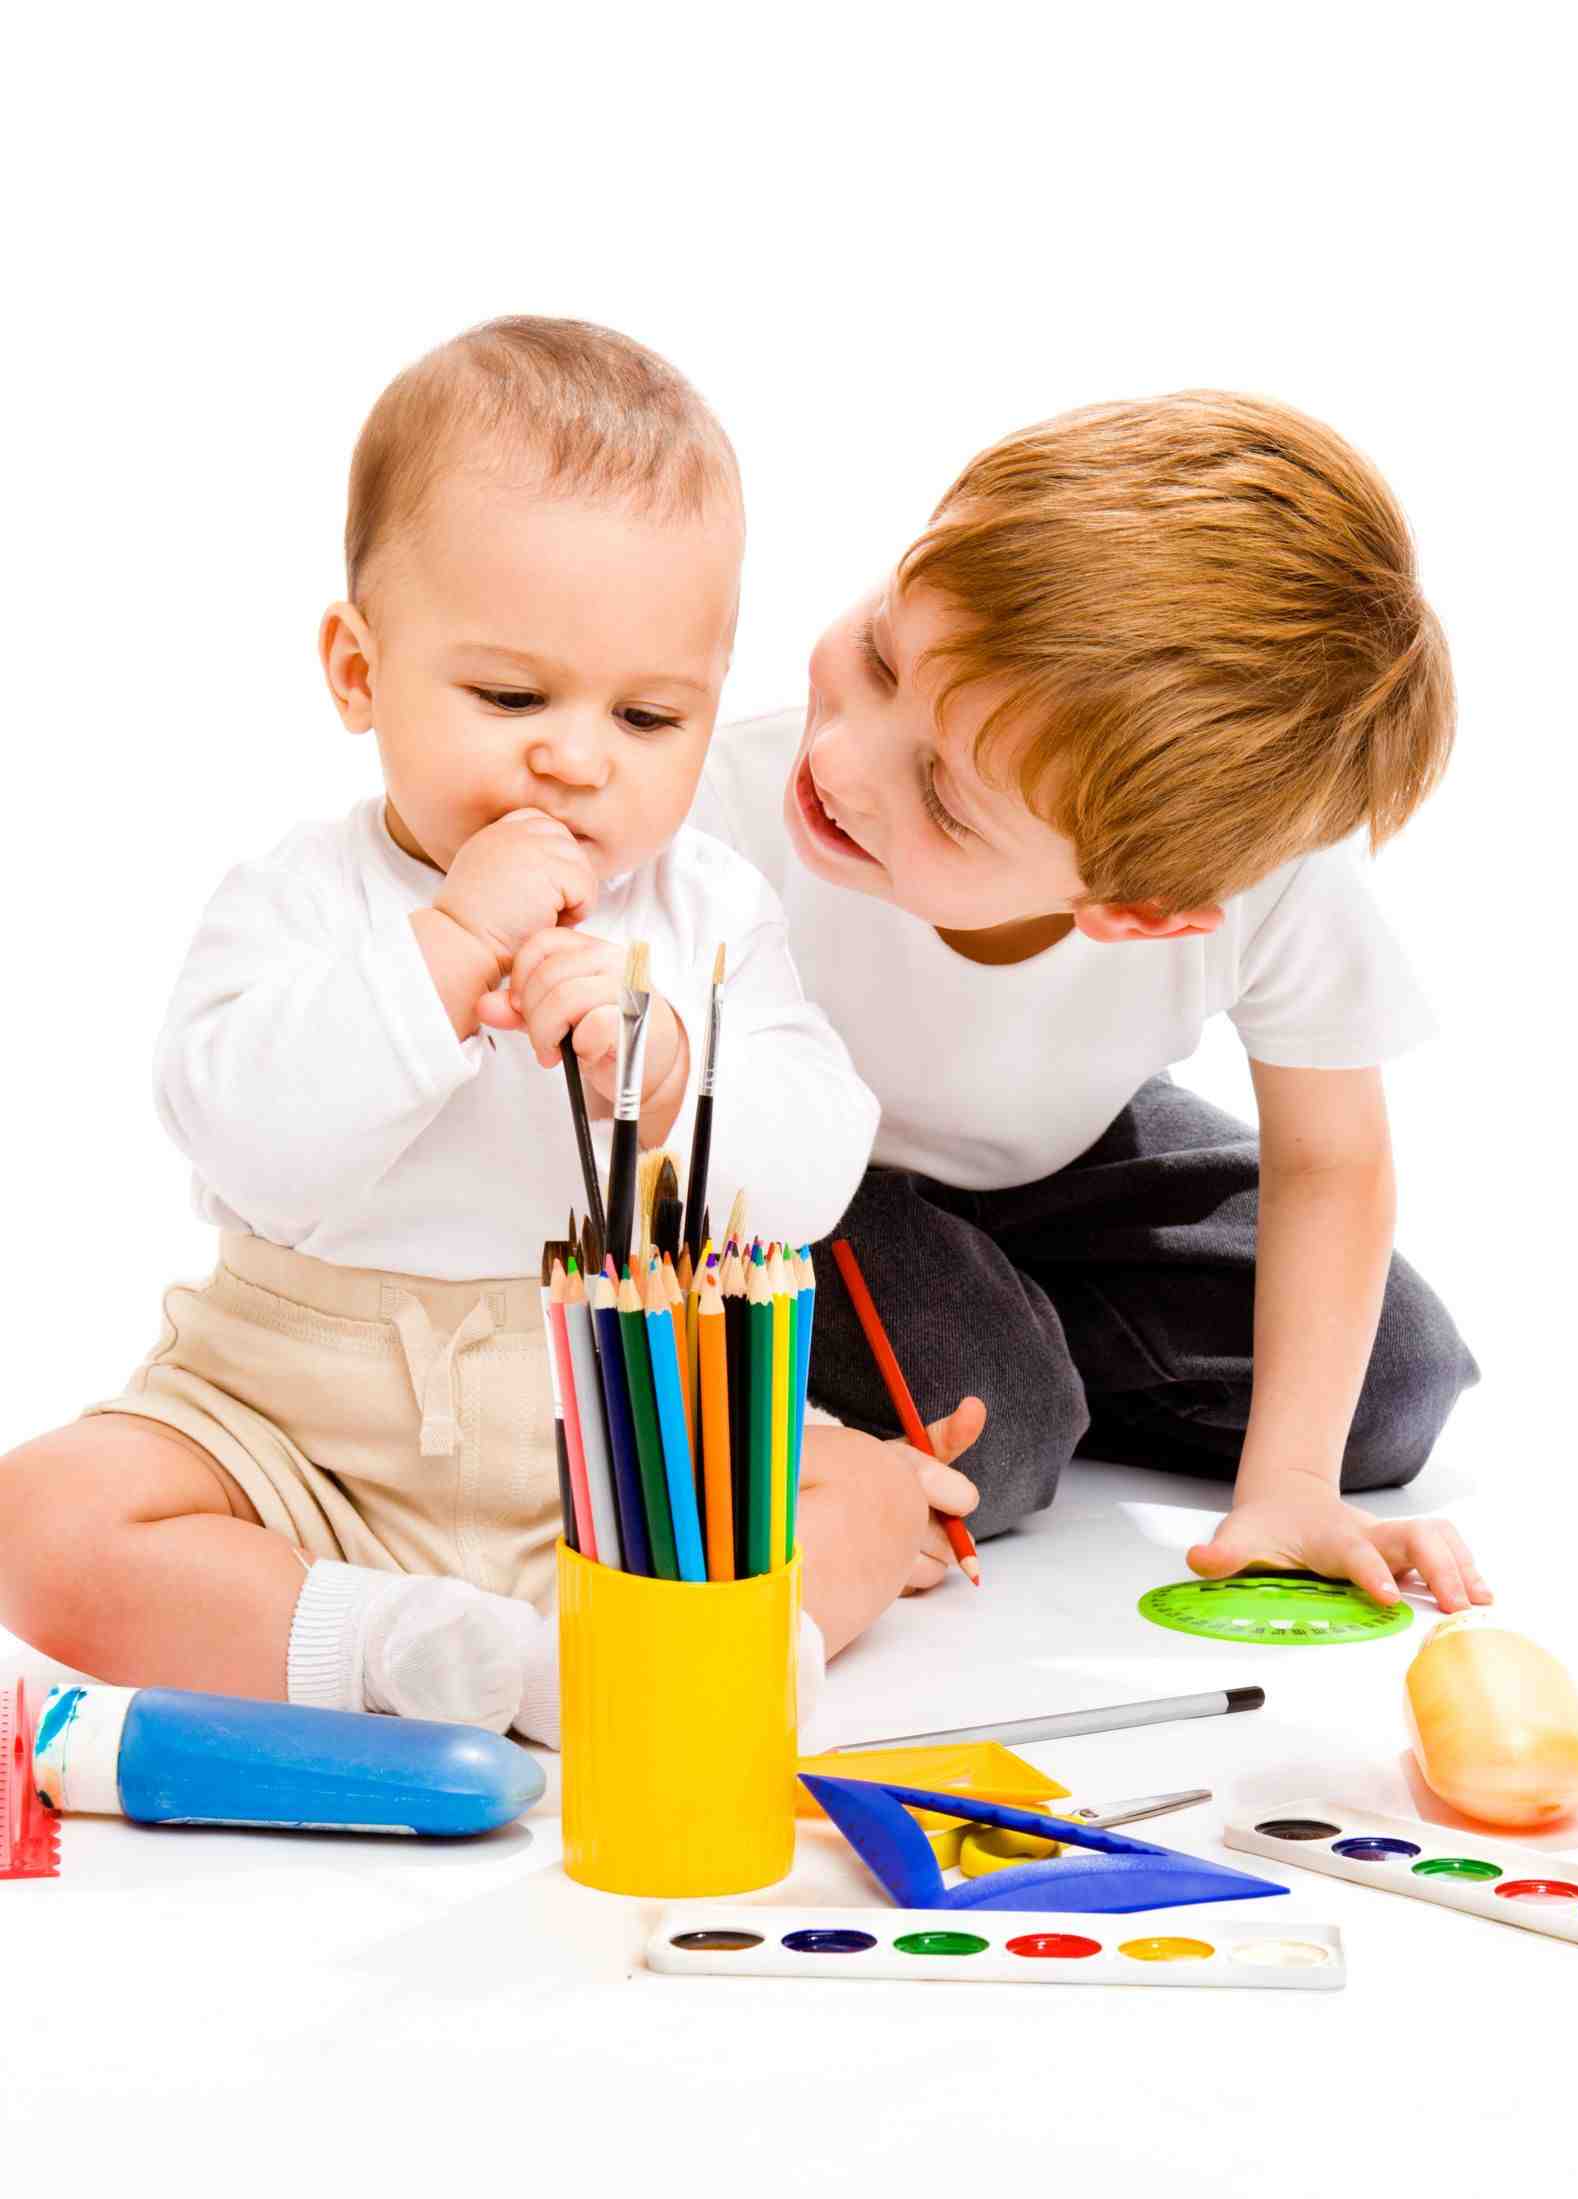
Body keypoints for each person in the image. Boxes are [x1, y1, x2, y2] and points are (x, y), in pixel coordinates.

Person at [0, 317, 977, 1743]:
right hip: (294, 1422)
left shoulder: (707, 906)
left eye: (648, 717)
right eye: (510, 696)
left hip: (620, 1430)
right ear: (358, 671)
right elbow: (242, 1135)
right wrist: (449, 948)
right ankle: (419, 1652)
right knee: (49, 1517)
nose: (573, 757)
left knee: (867, 1492)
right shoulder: (298, 893)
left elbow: (818, 1164)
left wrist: (670, 1072)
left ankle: (678, 1655)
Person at [693, 393, 1484, 1612]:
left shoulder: (1270, 878)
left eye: (945, 800)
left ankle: (1015, 1328)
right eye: (882, 655)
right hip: (806, 1184)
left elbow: (1330, 1161)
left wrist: (1288, 1483)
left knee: (1390, 1385)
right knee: (994, 1441)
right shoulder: (711, 817)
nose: (838, 758)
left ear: (1142, 912)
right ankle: (1012, 1356)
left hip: (1063, 1154)